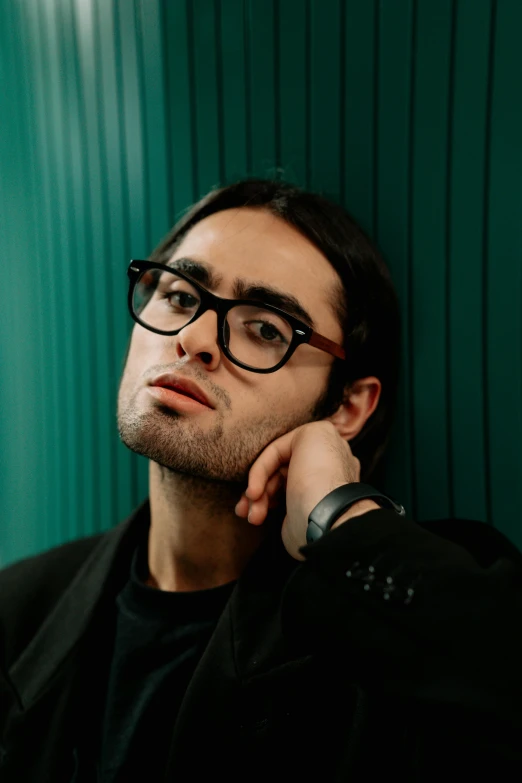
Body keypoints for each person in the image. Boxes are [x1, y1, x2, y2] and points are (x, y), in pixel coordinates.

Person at [0, 179, 521, 782]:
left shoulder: (398, 630)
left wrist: (341, 517)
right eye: (177, 294)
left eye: (266, 329)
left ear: (348, 407)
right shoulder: (19, 611)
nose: (192, 340)